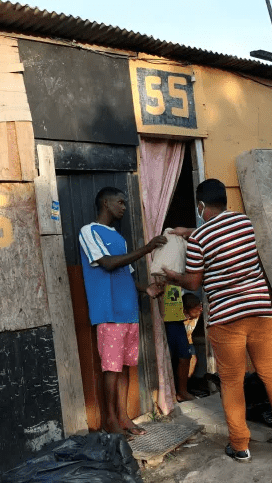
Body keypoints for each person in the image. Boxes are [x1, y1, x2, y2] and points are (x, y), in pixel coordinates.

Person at [162, 179, 272, 462]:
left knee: (233, 383)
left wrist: (173, 277)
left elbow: (194, 281)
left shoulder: (200, 240)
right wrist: (191, 232)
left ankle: (240, 446)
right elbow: (220, 236)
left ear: (200, 206)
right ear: (224, 200)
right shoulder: (244, 223)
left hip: (227, 320)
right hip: (260, 313)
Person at [78, 186, 167, 437]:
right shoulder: (89, 231)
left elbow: (125, 274)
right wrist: (147, 249)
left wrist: (145, 290)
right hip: (109, 312)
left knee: (126, 367)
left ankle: (124, 417)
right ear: (106, 204)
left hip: (128, 312)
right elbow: (107, 264)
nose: (124, 207)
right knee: (111, 369)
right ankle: (110, 421)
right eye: (120, 202)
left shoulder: (119, 238)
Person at [159, 287, 202, 401]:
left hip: (176, 319)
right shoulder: (159, 274)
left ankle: (182, 392)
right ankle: (170, 393)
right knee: (168, 358)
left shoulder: (175, 280)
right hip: (165, 319)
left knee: (184, 356)